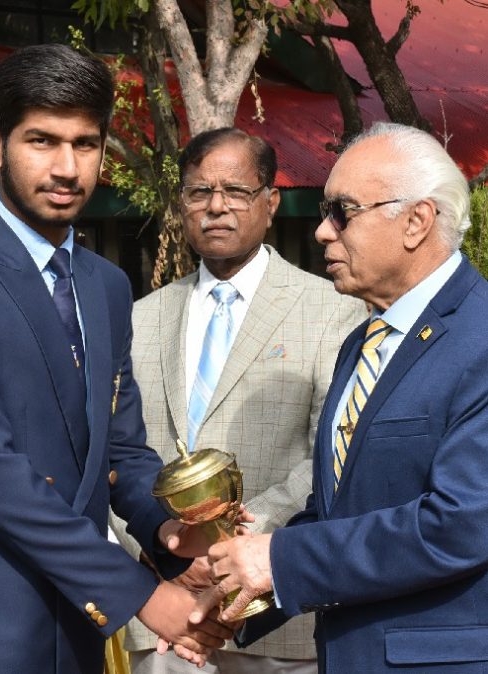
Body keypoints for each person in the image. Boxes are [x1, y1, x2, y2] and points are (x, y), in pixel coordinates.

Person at [0, 44, 233, 674]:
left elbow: (120, 449)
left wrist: (169, 533)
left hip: (77, 633)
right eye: (42, 141)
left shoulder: (106, 285)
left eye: (86, 144)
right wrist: (145, 596)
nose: (67, 168)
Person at [190, 121, 488, 673]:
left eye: (342, 212)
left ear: (417, 221)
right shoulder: (364, 341)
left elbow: (463, 524)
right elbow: (340, 510)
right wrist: (243, 598)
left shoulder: (480, 338)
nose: (322, 232)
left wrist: (280, 560)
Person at [110, 127, 367, 674]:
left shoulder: (334, 311)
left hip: (275, 612)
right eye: (200, 192)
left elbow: (332, 458)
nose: (216, 207)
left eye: (236, 191)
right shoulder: (139, 318)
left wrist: (232, 548)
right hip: (166, 615)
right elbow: (116, 457)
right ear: (181, 203)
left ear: (270, 203)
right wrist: (164, 553)